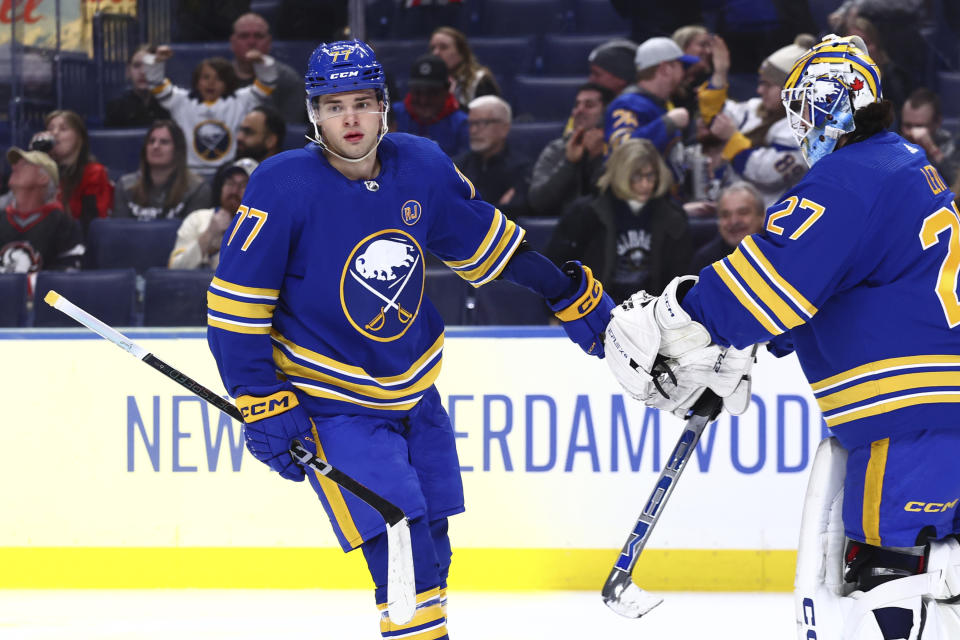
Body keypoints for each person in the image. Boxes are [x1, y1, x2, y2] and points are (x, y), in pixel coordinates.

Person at [206, 40, 613, 640]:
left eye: (363, 103)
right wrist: (261, 397)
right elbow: (235, 311)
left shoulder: (420, 164)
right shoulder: (280, 185)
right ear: (315, 113)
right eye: (336, 105)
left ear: (384, 107)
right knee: (400, 540)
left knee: (434, 540)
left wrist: (561, 293)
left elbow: (489, 246)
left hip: (416, 392)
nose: (351, 118)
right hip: (332, 399)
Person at [604, 35, 960, 640]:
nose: (798, 126)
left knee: (893, 573)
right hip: (936, 411)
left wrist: (679, 315)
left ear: (834, 105)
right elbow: (854, 285)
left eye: (805, 109)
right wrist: (760, 340)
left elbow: (766, 283)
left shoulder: (849, 178)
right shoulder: (899, 162)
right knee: (932, 568)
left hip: (910, 418)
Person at [545, 138, 691, 302]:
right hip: (597, 312)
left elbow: (681, 277)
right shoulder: (586, 213)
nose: (645, 184)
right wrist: (557, 308)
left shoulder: (672, 218)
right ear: (621, 174)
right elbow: (558, 264)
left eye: (650, 175)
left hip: (654, 316)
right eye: (636, 177)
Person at [698, 34, 811, 208]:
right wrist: (720, 73)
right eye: (760, 83)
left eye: (767, 84)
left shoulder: (806, 130)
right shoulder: (755, 108)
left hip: (770, 222)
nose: (759, 90)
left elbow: (768, 174)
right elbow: (715, 118)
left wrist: (732, 139)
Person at [144, 46, 277, 176]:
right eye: (206, 77)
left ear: (228, 82)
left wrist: (261, 62)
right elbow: (156, 85)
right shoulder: (181, 101)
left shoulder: (240, 101)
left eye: (219, 79)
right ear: (197, 81)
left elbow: (267, 85)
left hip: (228, 174)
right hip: (188, 175)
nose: (211, 83)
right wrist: (157, 62)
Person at [604, 36, 696, 183]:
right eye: (681, 67)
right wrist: (666, 124)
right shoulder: (627, 104)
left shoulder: (661, 105)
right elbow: (622, 151)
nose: (684, 74)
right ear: (665, 68)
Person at [528, 83, 614, 217]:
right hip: (563, 229)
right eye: (576, 105)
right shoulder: (557, 148)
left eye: (589, 105)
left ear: (606, 112)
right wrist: (569, 162)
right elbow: (538, 201)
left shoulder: (617, 148)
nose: (579, 111)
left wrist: (597, 158)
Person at [0, 147, 83, 274]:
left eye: (25, 164)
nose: (14, 167)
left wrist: (33, 291)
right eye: (15, 163)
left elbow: (68, 281)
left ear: (43, 178)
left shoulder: (63, 225)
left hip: (43, 294)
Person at [113, 120, 212, 221]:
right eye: (151, 141)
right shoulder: (125, 186)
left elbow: (193, 234)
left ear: (178, 150)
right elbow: (120, 232)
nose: (155, 146)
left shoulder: (197, 189)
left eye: (164, 142)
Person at [168, 158, 256, 269]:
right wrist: (209, 234)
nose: (234, 190)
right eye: (230, 183)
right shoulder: (197, 218)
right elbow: (175, 269)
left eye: (243, 185)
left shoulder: (262, 228)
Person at [454, 95, 531, 218]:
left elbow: (516, 209)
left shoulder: (521, 168)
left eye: (482, 123)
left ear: (504, 128)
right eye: (471, 124)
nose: (473, 130)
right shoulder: (457, 166)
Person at [34, 110, 114, 229]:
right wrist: (36, 154)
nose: (54, 133)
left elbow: (92, 223)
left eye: (63, 129)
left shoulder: (93, 172)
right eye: (50, 129)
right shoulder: (41, 170)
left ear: (79, 138)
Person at [228, 12, 307, 124]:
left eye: (258, 36)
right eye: (244, 36)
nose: (251, 42)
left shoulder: (288, 79)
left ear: (269, 42)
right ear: (233, 43)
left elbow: (289, 131)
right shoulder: (219, 77)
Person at [391, 54, 469, 158]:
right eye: (417, 92)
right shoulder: (393, 115)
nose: (423, 100)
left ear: (446, 91)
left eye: (432, 93)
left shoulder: (462, 124)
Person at [688, 181, 765, 272]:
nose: (734, 221)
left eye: (743, 213)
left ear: (762, 216)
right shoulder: (705, 263)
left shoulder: (782, 253)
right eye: (725, 215)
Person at [900, 88, 960, 188]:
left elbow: (954, 185)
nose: (912, 132)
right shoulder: (893, 146)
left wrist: (931, 149)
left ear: (937, 122)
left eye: (919, 126)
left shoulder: (952, 147)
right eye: (907, 125)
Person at [428, 26, 501, 108]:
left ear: (462, 52)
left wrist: (451, 101)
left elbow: (489, 116)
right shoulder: (427, 81)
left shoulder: (480, 80)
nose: (436, 53)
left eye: (444, 47)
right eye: (433, 48)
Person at [105, 45, 172, 128]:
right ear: (128, 72)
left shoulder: (168, 106)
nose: (143, 72)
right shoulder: (116, 109)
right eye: (137, 66)